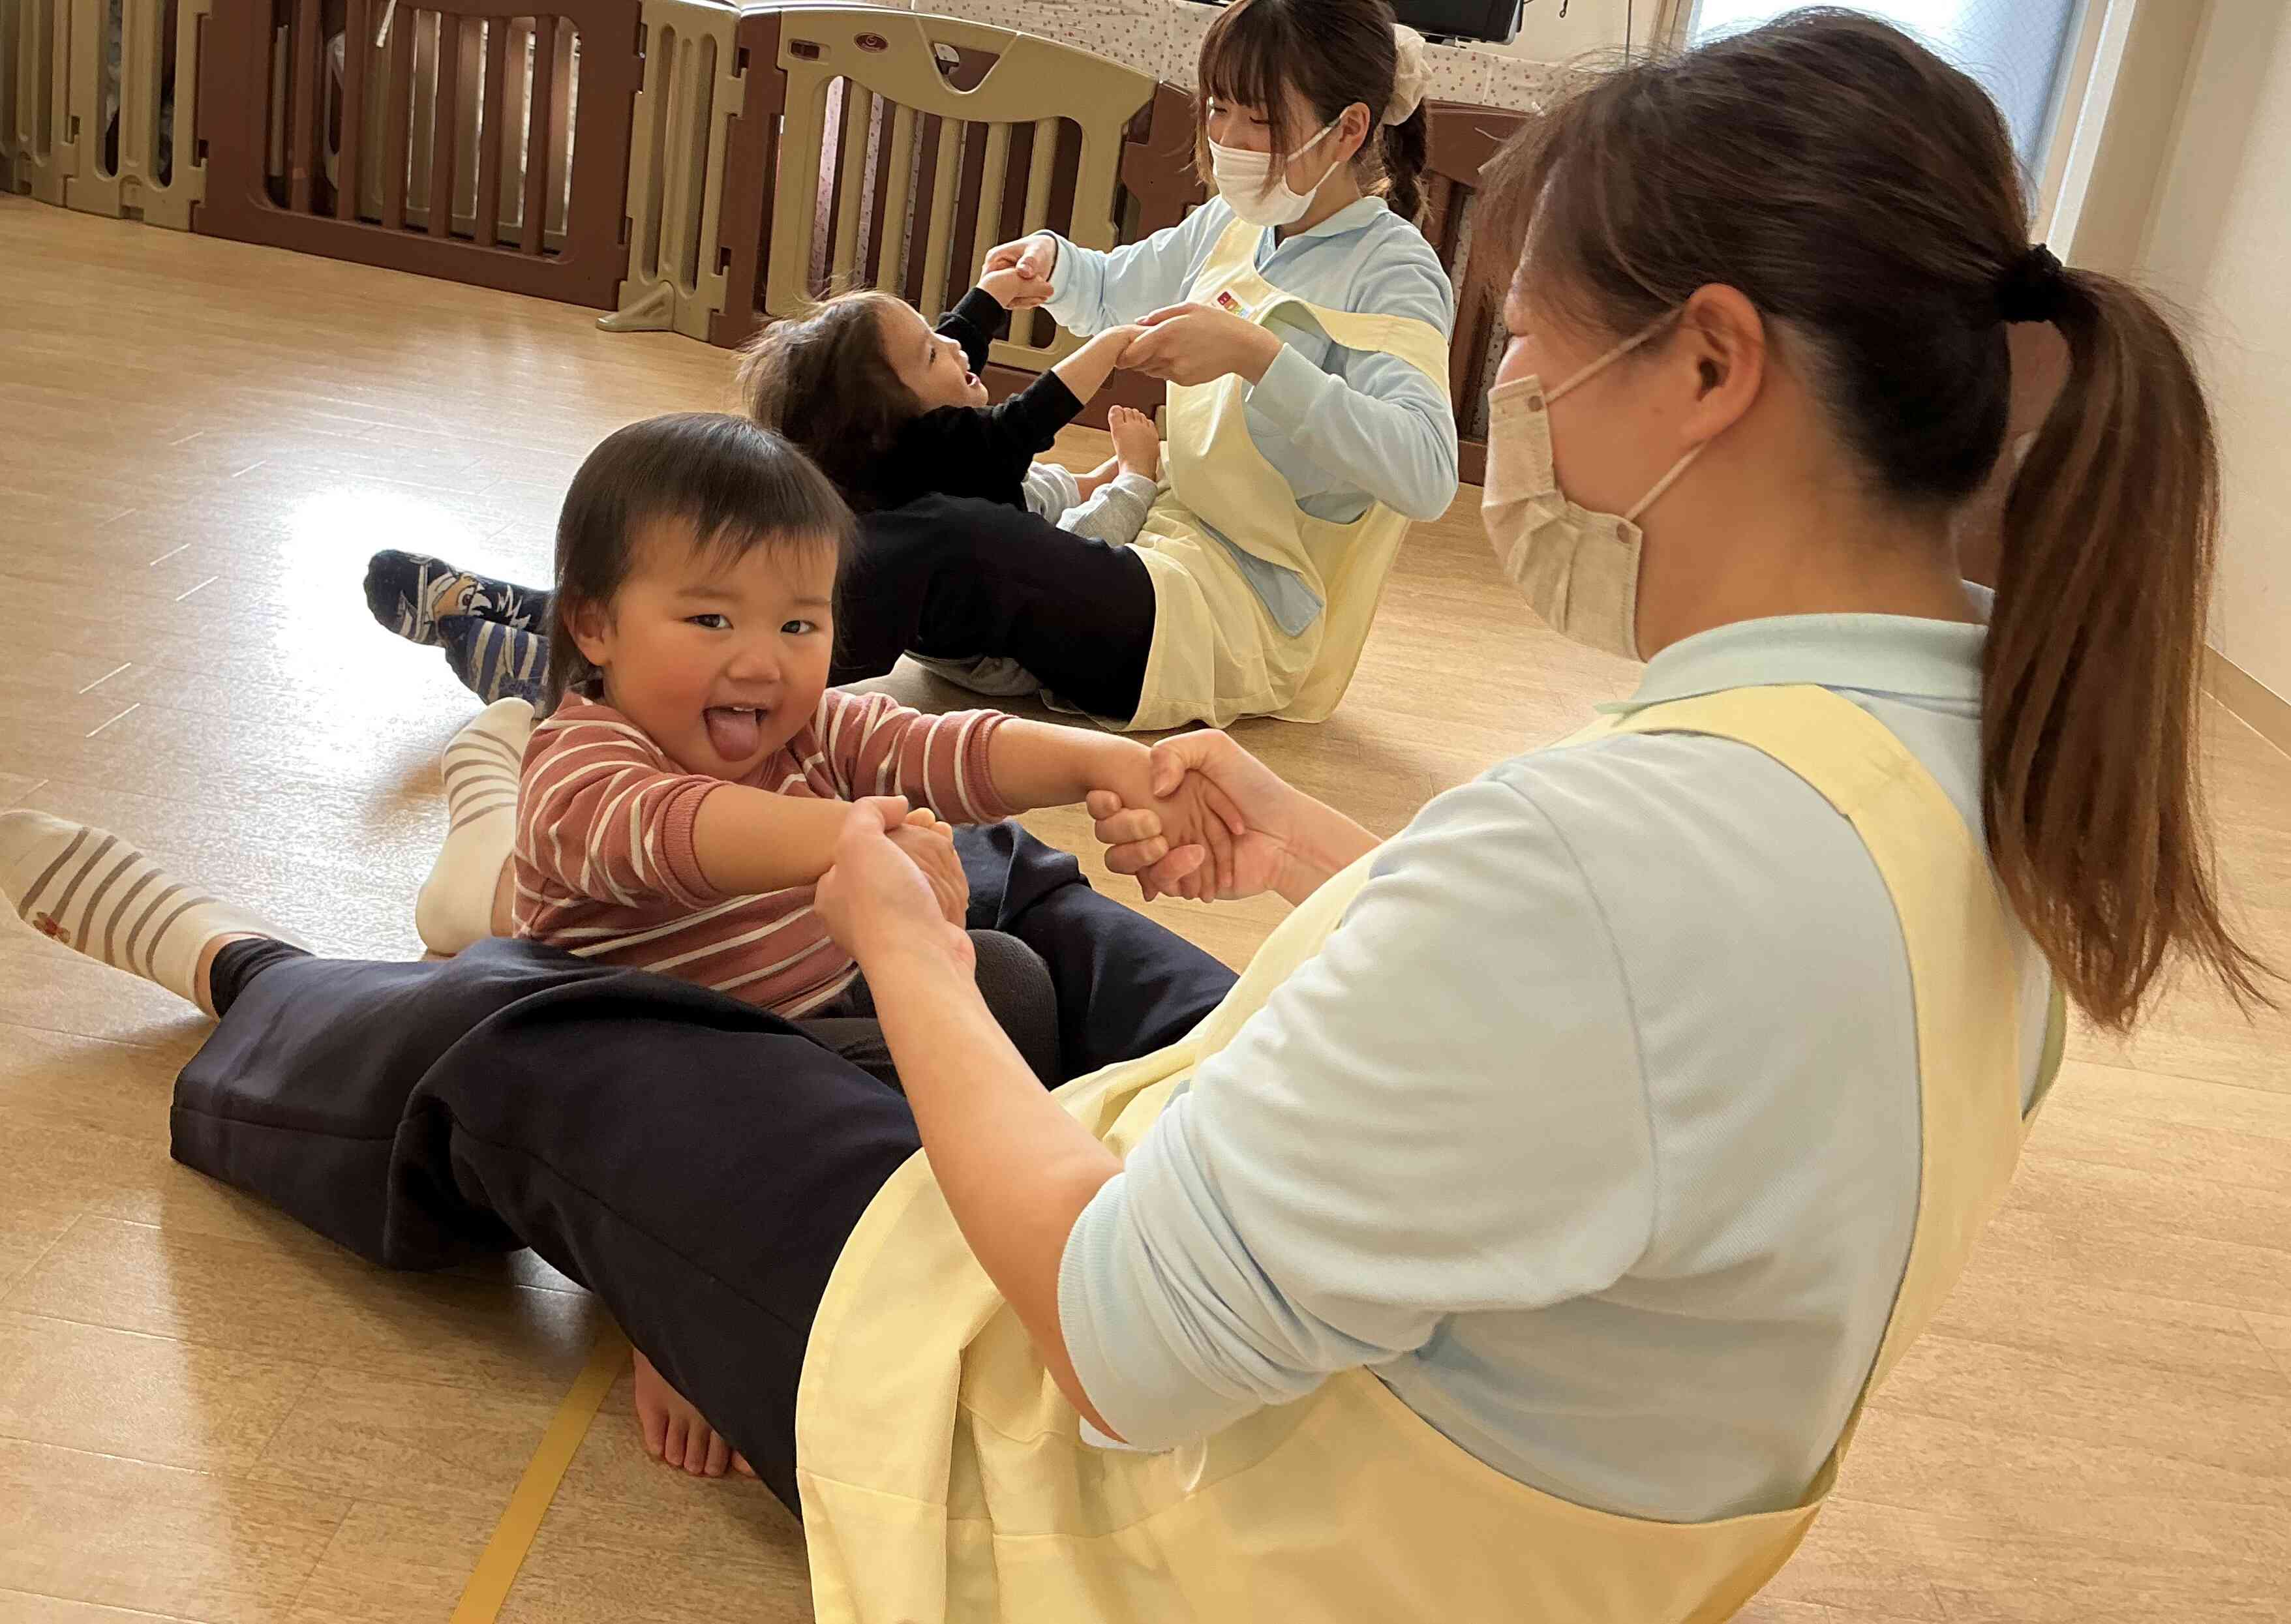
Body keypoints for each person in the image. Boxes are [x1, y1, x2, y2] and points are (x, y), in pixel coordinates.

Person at [4, 10, 2271, 1615]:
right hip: (1511, 1494)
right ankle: (597, 802)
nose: (1529, 431)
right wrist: (1304, 860)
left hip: (1165, 1511)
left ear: (1706, 362)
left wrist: (895, 951)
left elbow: (1120, 1330)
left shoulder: (1596, 838)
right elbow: (1647, 1043)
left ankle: (251, 983)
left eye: (1543, 361)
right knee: (1004, 883)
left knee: (525, 1022)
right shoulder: (1991, 789)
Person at [360, 0, 1460, 731]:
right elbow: (1118, 281)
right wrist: (1048, 264)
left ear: (1349, 126)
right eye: (1216, 107)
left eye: (1252, 117)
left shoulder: (1393, 273)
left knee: (956, 545)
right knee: (876, 483)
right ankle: (570, 621)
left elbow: (1423, 472)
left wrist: (1262, 359)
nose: (1222, 135)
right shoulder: (1233, 222)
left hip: (1234, 622)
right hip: (1151, 555)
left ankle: (609, 691)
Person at [364, 278, 1163, 708]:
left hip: (1016, 648)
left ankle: (584, 678)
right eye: (933, 351)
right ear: (901, 417)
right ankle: (576, 620)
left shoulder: (916, 452)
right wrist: (1128, 473)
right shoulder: (937, 455)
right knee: (762, 543)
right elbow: (1030, 451)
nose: (957, 347)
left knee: (814, 577)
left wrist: (1112, 481)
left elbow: (1053, 519)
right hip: (979, 626)